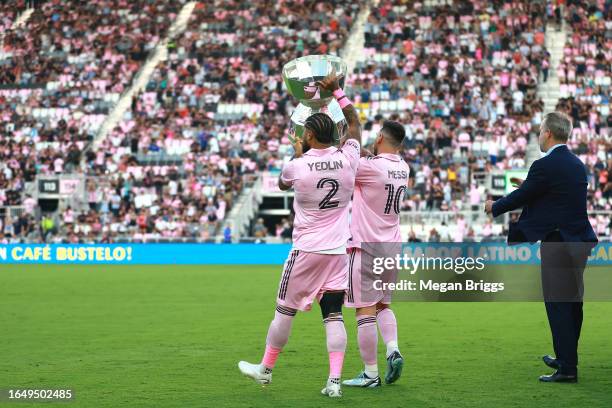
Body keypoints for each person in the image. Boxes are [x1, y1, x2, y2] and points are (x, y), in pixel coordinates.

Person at [238, 71, 362, 398]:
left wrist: (298, 155)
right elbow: (355, 126)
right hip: (338, 251)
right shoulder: (348, 159)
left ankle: (265, 370)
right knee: (333, 315)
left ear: (307, 134)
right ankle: (334, 381)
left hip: (306, 249)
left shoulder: (298, 166)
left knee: (285, 310)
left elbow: (283, 183)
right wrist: (337, 91)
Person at [485, 111, 597, 383]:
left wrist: (495, 207)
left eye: (539, 131)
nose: (538, 135)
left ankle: (567, 369)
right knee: (572, 304)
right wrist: (529, 186)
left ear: (548, 133)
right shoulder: (576, 164)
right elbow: (556, 198)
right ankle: (567, 357)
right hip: (578, 241)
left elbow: (525, 196)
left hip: (558, 242)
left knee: (558, 304)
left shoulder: (544, 164)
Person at [342, 120, 409, 388]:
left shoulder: (370, 167)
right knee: (383, 305)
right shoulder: (403, 167)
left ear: (380, 137)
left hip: (366, 246)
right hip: (392, 246)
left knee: (364, 311)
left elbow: (346, 160)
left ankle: (370, 374)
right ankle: (393, 348)